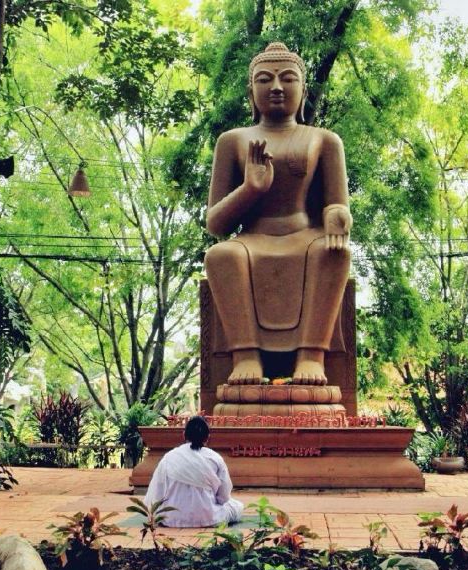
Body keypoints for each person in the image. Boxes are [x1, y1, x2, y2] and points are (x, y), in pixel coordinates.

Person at [204, 42, 352, 386]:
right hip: (253, 238)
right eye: (264, 80)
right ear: (250, 91)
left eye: (287, 79)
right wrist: (250, 189)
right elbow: (216, 224)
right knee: (221, 255)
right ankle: (245, 356)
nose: (275, 87)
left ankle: (311, 356)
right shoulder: (233, 140)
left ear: (302, 90)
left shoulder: (324, 140)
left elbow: (337, 203)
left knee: (334, 252)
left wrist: (338, 216)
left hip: (305, 235)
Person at [144, 416, 244, 527]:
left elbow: (157, 492)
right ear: (207, 438)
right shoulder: (215, 458)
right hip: (208, 518)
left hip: (172, 519)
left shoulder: (169, 457)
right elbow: (223, 497)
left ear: (184, 435)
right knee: (237, 507)